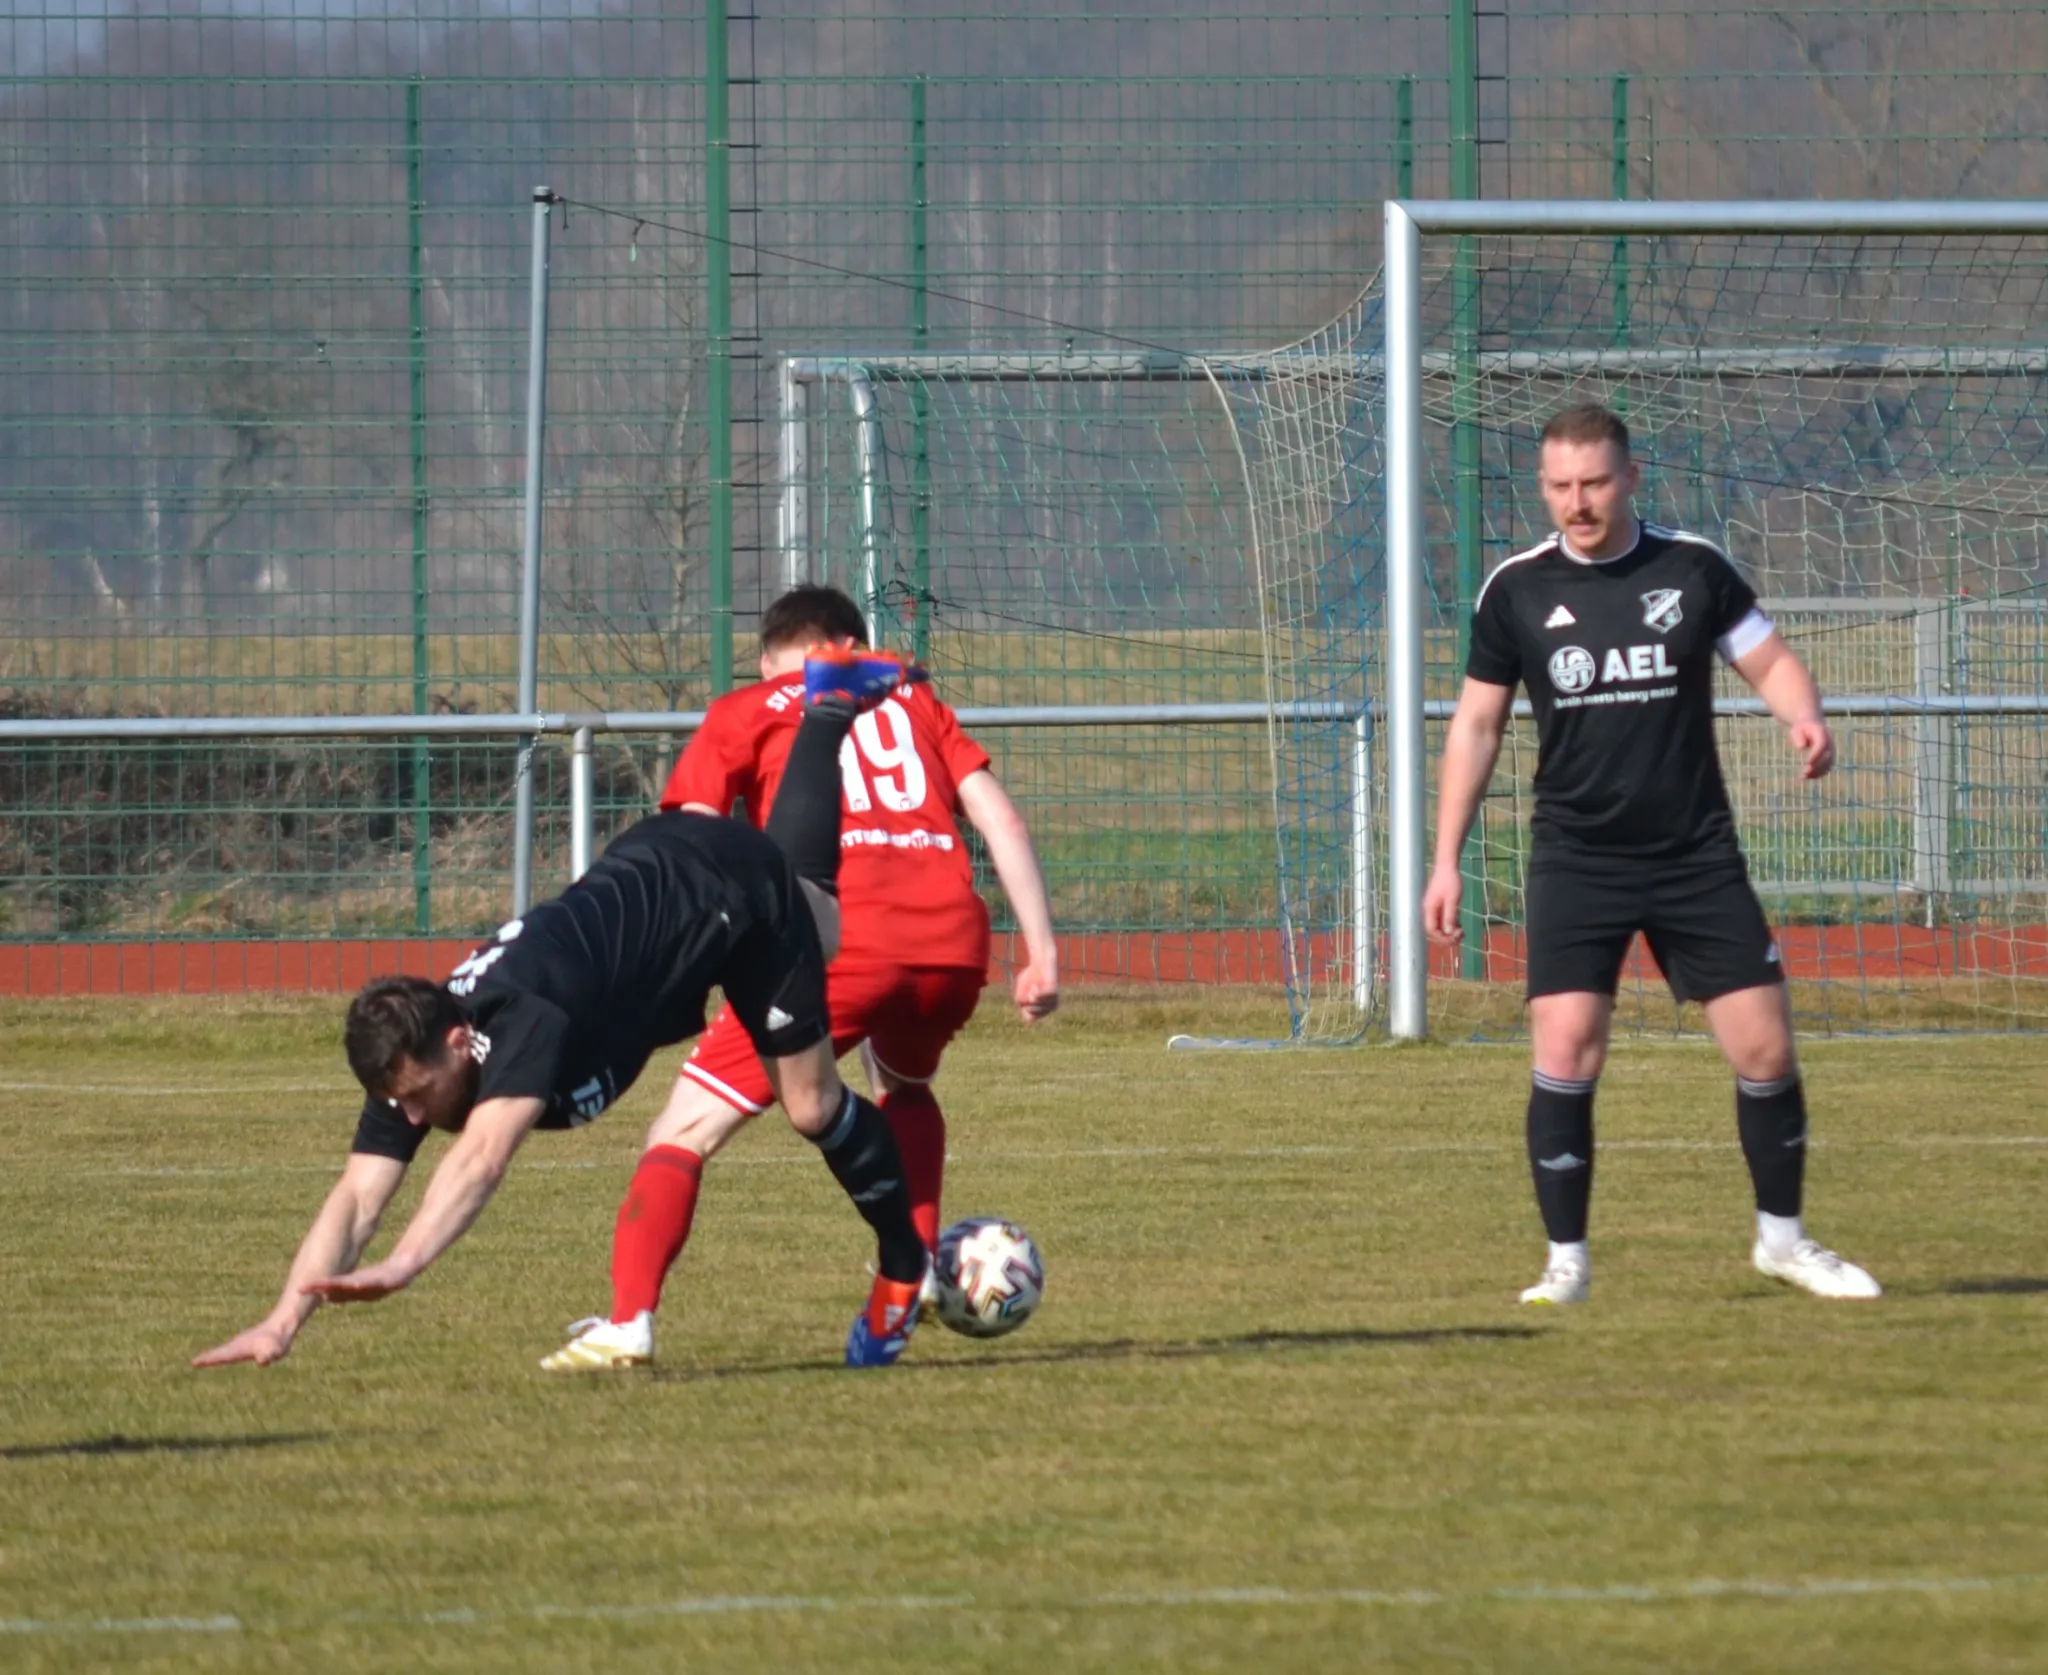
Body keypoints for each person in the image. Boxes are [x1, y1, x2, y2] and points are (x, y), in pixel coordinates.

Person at [193, 648, 943, 1372]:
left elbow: (482, 1157)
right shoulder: (406, 1049)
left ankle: (905, 1266)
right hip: (656, 872)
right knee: (814, 931)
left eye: (419, 1095)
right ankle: (830, 706)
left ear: (459, 1040)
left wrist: (405, 1263)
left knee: (812, 1099)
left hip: (724, 889)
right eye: (402, 1101)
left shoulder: (520, 1020)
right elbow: (358, 1195)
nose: (412, 1116)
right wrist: (281, 1320)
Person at [1422, 402, 1880, 1306]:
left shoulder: (1692, 568)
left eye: (1595, 482)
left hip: (1693, 853)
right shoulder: (1514, 590)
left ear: (1630, 477)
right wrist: (1446, 859)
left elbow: (1770, 659)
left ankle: (1784, 1242)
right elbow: (1476, 725)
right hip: (1576, 856)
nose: (1578, 502)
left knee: (1765, 1048)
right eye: (1560, 486)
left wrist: (1804, 716)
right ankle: (1566, 1263)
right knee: (1566, 1046)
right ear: (1543, 487)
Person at [542, 585, 1059, 1372]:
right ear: (857, 647)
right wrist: (1043, 950)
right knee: (904, 1083)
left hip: (837, 937)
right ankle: (909, 1274)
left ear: (767, 661)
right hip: (952, 941)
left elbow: (696, 841)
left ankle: (628, 1319)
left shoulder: (744, 709)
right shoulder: (915, 702)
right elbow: (999, 817)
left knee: (681, 1130)